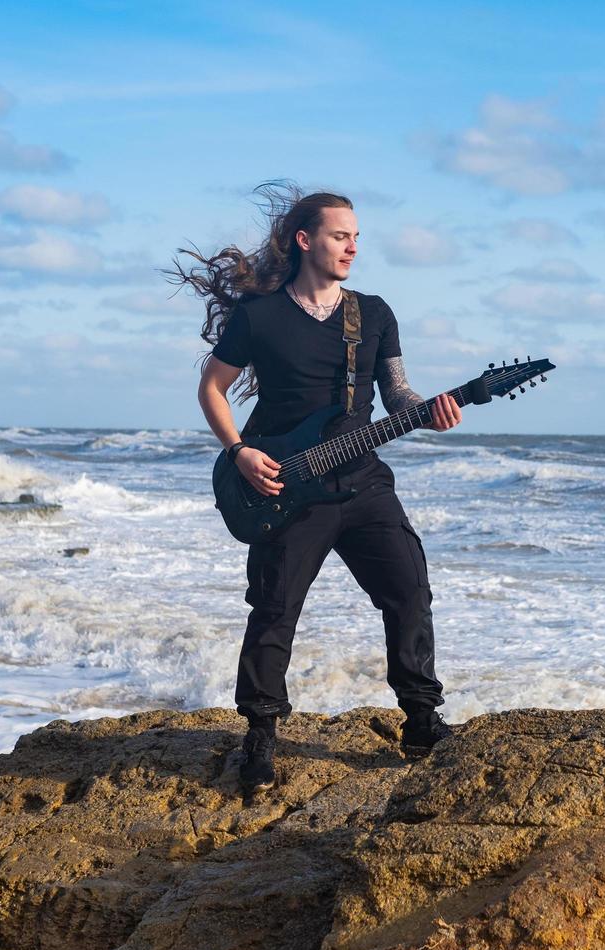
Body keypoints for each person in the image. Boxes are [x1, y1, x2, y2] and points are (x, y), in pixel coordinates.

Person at [176, 182, 460, 794]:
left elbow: (399, 396)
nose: (352, 247)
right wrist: (240, 451)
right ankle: (260, 736)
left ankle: (420, 719)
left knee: (409, 588)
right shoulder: (260, 316)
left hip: (362, 482)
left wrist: (431, 407)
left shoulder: (374, 313)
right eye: (340, 236)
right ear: (306, 240)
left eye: (357, 237)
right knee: (275, 610)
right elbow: (211, 390)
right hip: (285, 485)